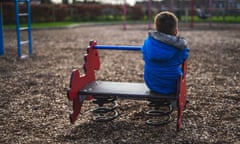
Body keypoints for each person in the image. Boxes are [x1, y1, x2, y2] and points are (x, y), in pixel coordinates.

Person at [141, 11, 189, 95]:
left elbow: (144, 54)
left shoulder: (148, 42)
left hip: (152, 84)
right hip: (172, 86)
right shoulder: (179, 47)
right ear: (175, 31)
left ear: (157, 28)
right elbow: (184, 57)